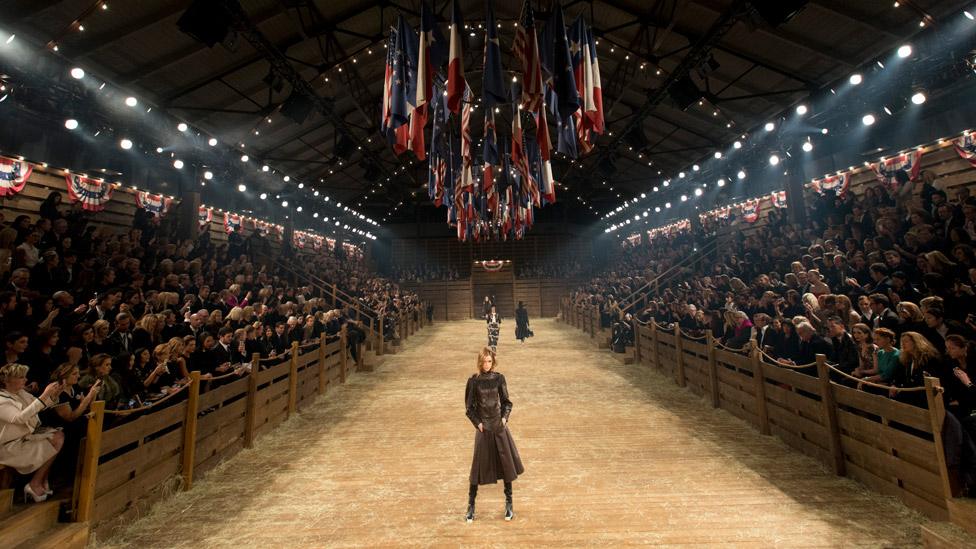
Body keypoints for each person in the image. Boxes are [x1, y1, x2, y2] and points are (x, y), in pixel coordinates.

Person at [464, 347, 523, 522]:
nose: (487, 364)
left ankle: (509, 504)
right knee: (477, 467)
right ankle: (471, 505)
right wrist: (478, 424)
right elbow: (469, 409)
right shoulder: (474, 381)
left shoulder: (499, 379)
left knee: (506, 465)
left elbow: (507, 402)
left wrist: (504, 419)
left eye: (489, 361)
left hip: (498, 426)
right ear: (479, 362)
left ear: (493, 361)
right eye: (484, 361)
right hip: (484, 428)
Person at [0, 363, 66, 503]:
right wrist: (45, 395)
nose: (25, 380)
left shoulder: (21, 393)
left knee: (58, 436)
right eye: (21, 377)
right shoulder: (1, 399)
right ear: (7, 380)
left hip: (22, 439)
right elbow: (19, 418)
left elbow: (38, 407)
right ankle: (36, 483)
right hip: (7, 446)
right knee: (55, 439)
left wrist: (54, 395)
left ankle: (37, 482)